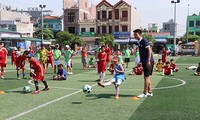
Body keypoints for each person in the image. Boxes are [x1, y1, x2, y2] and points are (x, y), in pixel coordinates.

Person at [133, 29, 154, 98]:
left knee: (146, 77)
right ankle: (150, 92)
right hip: (144, 61)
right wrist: (140, 61)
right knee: (147, 77)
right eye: (134, 34)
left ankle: (145, 93)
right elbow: (142, 53)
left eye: (136, 34)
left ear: (140, 34)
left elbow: (149, 51)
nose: (135, 36)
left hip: (148, 61)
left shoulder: (144, 41)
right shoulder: (139, 42)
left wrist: (148, 60)